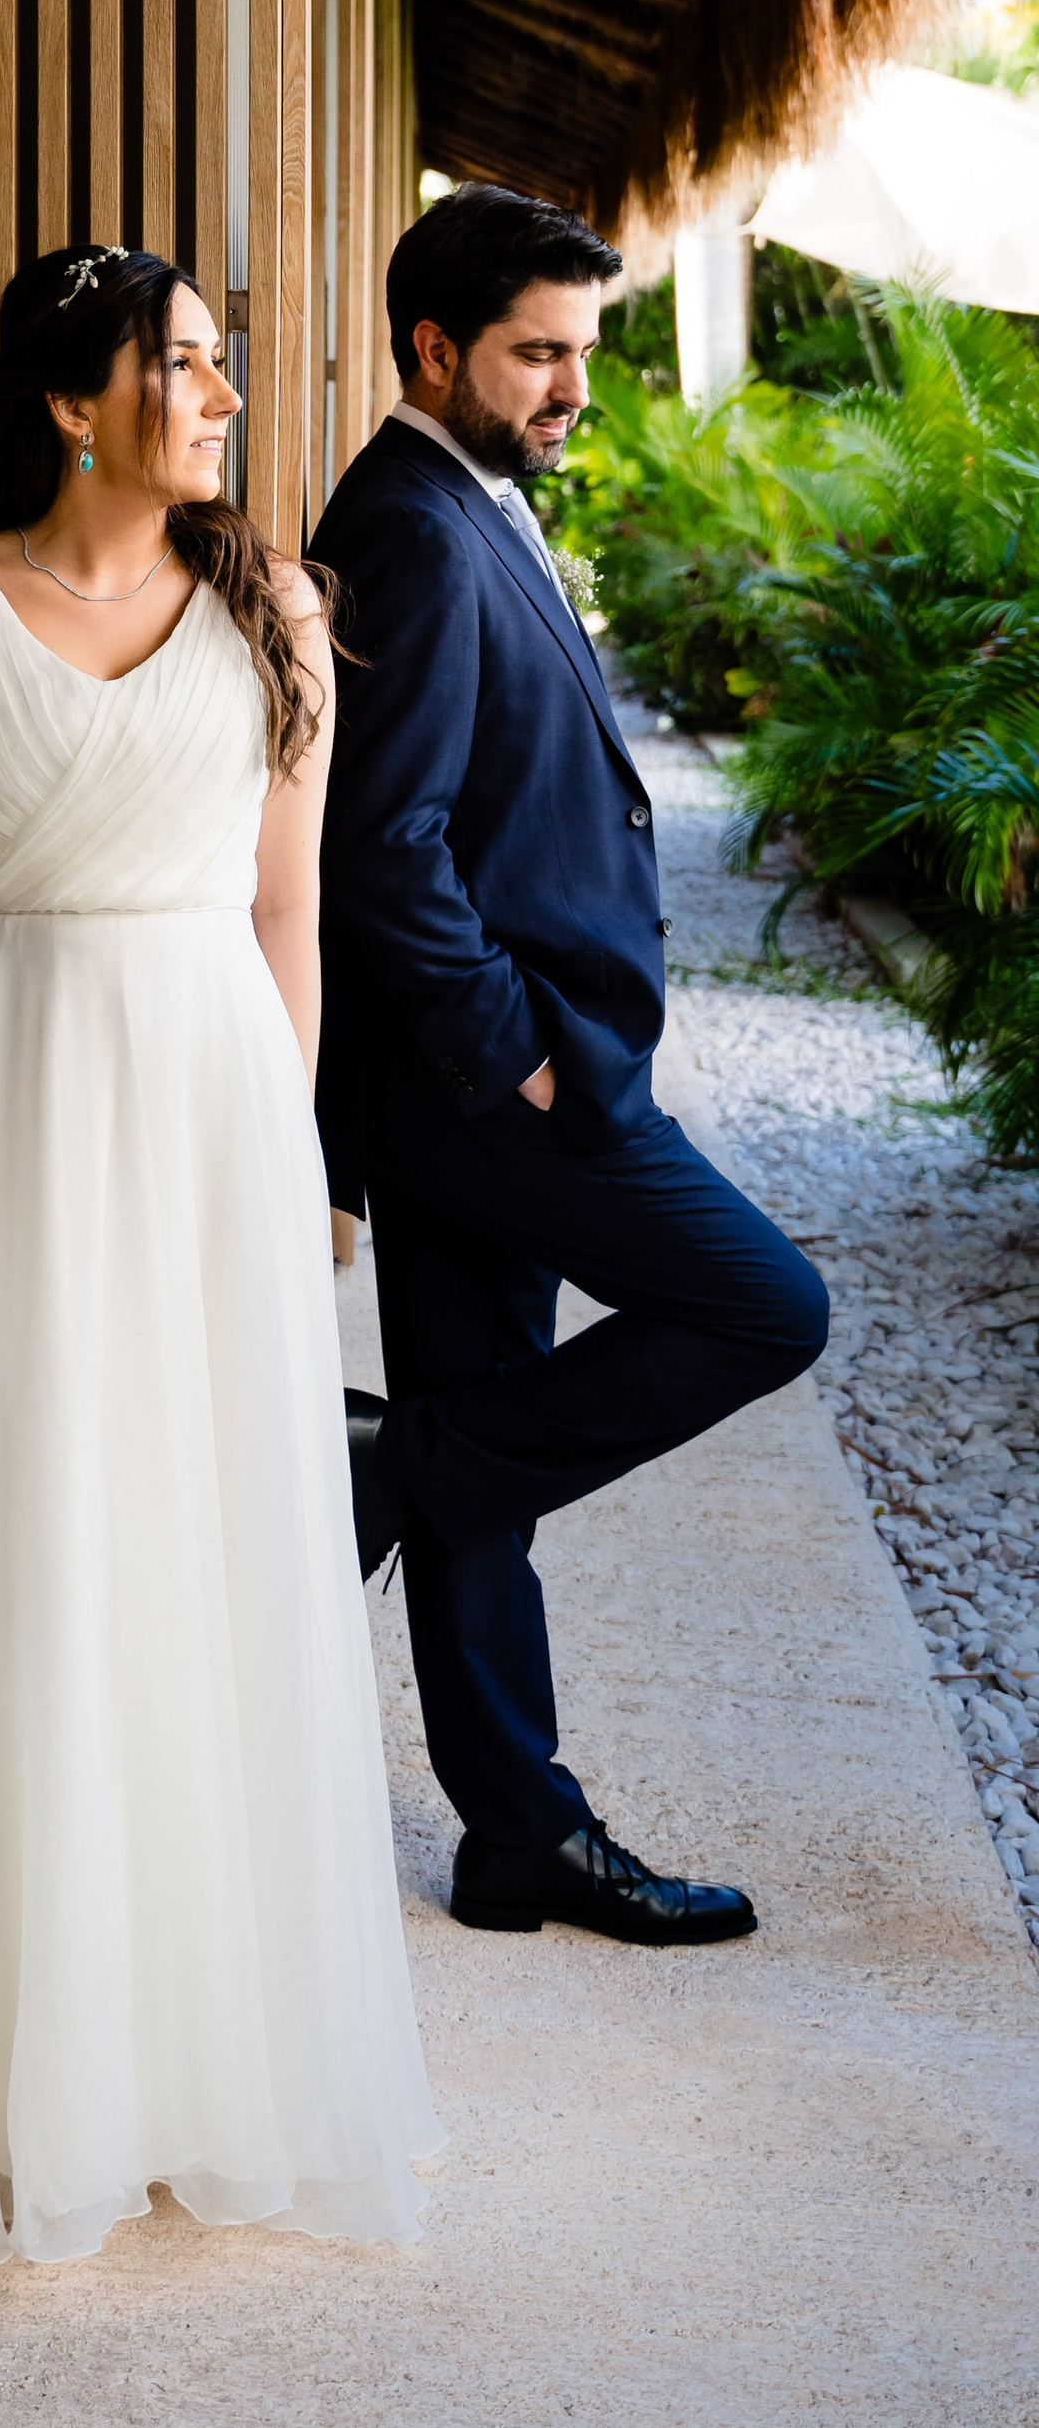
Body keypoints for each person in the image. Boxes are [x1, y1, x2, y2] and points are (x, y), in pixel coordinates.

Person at [0, 244, 440, 2268]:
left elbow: (287, 918)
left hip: (205, 1107)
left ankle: (197, 2043)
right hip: (1, 1090)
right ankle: (18, 2052)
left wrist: (291, 1153)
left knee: (198, 1543)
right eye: (177, 365)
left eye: (216, 362)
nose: (219, 394)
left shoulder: (279, 615)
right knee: (19, 1541)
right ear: (70, 401)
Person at [310, 184, 831, 1946]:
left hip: (495, 1076)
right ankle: (407, 1462)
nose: (571, 388)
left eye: (583, 351)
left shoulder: (468, 502)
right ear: (433, 350)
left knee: (490, 1460)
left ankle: (517, 1831)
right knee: (767, 1306)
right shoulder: (413, 528)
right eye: (538, 353)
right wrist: (516, 1056)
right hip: (505, 1086)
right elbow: (383, 841)